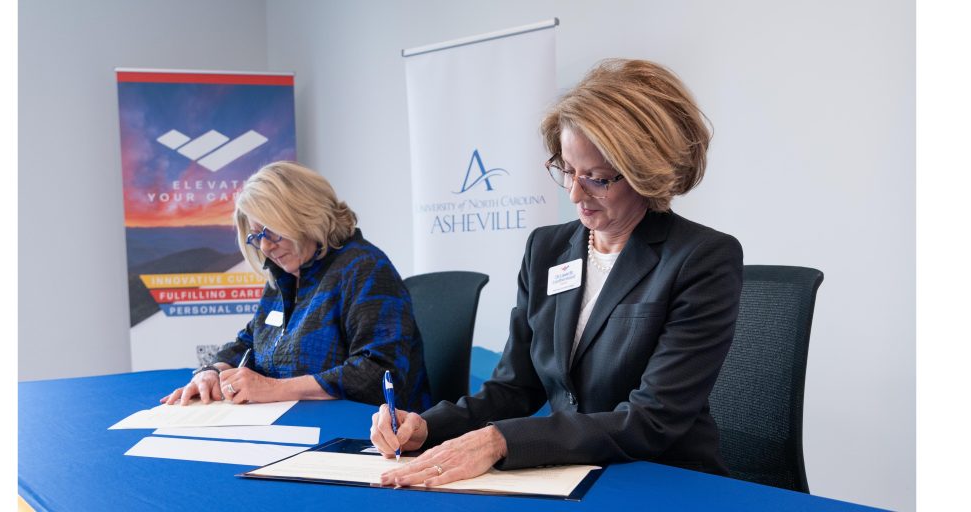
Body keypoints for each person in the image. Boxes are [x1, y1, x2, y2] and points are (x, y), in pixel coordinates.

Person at [370, 59, 744, 487]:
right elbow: (514, 387)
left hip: (662, 478)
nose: (574, 192)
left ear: (647, 172)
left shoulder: (702, 258)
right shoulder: (546, 249)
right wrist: (427, 425)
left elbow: (652, 418)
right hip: (566, 474)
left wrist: (502, 441)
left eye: (598, 179)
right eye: (567, 169)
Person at [161, 161, 432, 412]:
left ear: (305, 215)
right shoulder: (285, 272)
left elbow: (378, 375)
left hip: (364, 435)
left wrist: (273, 389)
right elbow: (251, 342)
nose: (265, 247)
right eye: (257, 236)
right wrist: (213, 371)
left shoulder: (364, 268)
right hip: (291, 423)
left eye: (272, 231)